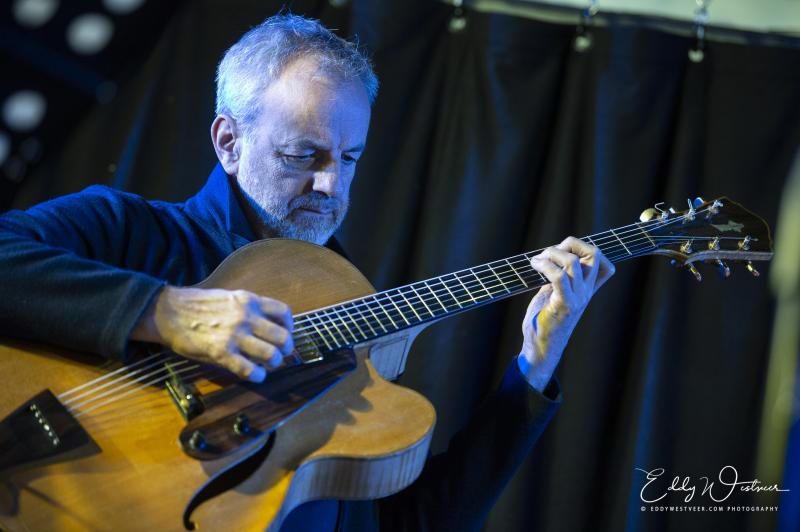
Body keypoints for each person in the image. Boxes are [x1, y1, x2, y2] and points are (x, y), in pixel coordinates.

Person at [0, 14, 614, 531]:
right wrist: (164, 311)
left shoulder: (355, 319)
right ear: (228, 141)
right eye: (305, 155)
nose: (332, 185)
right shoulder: (126, 228)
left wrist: (534, 364)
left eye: (350, 158)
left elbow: (416, 524)